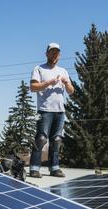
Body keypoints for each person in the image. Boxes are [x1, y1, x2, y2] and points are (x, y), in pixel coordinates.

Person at [28, 42, 74, 178]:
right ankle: (34, 168)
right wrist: (49, 83)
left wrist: (66, 83)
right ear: (47, 53)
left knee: (57, 140)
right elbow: (33, 87)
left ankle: (54, 168)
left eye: (57, 52)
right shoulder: (39, 69)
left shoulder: (63, 71)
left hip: (60, 111)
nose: (54, 54)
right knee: (41, 139)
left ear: (59, 55)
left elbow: (71, 92)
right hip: (44, 110)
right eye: (52, 52)